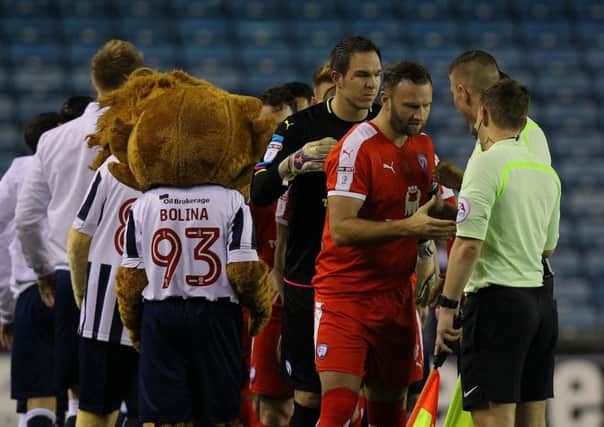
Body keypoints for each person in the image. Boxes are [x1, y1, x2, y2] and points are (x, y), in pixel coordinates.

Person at [311, 61, 456, 427]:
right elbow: (342, 229)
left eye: (426, 106)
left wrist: (466, 188)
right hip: (346, 297)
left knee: (390, 414)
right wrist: (409, 227)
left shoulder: (424, 146)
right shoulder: (356, 147)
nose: (419, 115)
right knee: (339, 411)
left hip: (397, 299)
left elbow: (449, 208)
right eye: (411, 106)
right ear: (386, 99)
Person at [251, 36, 382, 427]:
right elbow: (259, 191)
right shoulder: (298, 127)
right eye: (362, 75)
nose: (372, 84)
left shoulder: (385, 126)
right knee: (309, 395)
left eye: (377, 75)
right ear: (337, 78)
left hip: (369, 282)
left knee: (365, 394)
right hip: (309, 281)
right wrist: (295, 162)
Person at [15, 40, 144, 427]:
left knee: (84, 398)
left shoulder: (54, 139)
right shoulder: (146, 137)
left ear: (94, 80)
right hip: (133, 274)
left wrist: (41, 270)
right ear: (138, 79)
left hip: (71, 277)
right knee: (140, 395)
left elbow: (26, 218)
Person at [435, 79, 560, 427]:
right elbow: (548, 246)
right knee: (533, 417)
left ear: (484, 113)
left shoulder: (487, 163)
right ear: (523, 121)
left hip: (497, 305)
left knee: (493, 418)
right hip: (540, 305)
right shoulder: (546, 172)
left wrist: (447, 307)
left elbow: (468, 244)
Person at [434, 49, 555, 296]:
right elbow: (503, 213)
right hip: (509, 282)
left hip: (511, 286)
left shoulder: (522, 133)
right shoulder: (496, 139)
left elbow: (522, 216)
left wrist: (451, 295)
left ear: (461, 92)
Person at [66, 149, 142, 427]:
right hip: (160, 304)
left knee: (95, 408)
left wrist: (81, 290)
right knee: (152, 411)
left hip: (104, 303)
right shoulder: (180, 167)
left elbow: (78, 238)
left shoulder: (112, 165)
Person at [0, 112, 60, 427]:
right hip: (79, 289)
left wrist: (5, 311)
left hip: (28, 291)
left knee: (37, 398)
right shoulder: (85, 169)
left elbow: (2, 239)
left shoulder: (18, 172)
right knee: (86, 397)